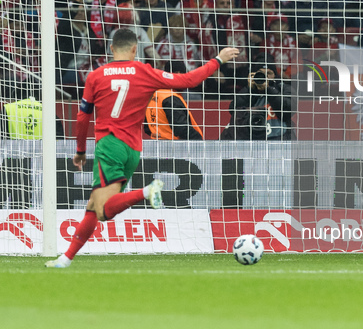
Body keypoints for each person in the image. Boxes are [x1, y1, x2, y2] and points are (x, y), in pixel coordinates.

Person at [45, 29, 238, 268]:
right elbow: (188, 80)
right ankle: (66, 259)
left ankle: (146, 191)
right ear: (135, 49)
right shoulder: (145, 71)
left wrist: (81, 150)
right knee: (94, 208)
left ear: (112, 49)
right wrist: (218, 59)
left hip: (109, 144)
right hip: (133, 149)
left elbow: (82, 117)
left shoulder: (96, 76)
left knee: (104, 209)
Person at [223, 58, 293, 140]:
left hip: (279, 138)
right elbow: (234, 111)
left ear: (275, 75)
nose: (265, 77)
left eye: (269, 73)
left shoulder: (283, 89)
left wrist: (268, 89)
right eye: (261, 74)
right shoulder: (249, 91)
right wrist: (249, 89)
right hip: (251, 139)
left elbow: (288, 111)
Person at [144, 62, 204, 141]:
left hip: (157, 143)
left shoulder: (155, 95)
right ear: (177, 74)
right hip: (175, 147)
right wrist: (198, 141)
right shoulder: (171, 97)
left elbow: (147, 127)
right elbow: (181, 129)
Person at [0, 96, 64, 140]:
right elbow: (59, 142)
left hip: (12, 155)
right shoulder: (48, 112)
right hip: (43, 156)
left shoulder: (8, 108)